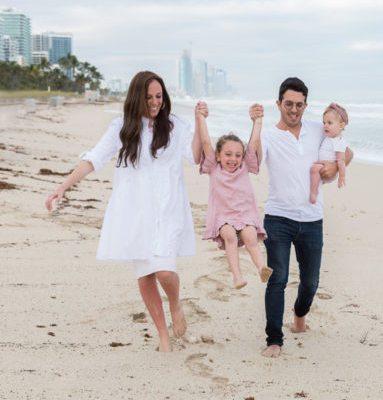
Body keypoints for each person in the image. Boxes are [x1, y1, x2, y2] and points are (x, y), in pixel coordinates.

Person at [45, 71, 199, 353]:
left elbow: (198, 157)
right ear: (136, 98)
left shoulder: (176, 126)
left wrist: (201, 123)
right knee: (145, 274)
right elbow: (94, 158)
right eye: (149, 97)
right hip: (135, 211)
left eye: (159, 96)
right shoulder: (122, 127)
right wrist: (63, 186)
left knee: (165, 272)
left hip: (168, 208)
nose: (155, 103)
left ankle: (175, 303)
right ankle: (163, 336)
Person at [251, 77, 354, 358]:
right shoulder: (269, 136)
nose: (294, 110)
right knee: (278, 278)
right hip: (278, 218)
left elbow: (347, 151)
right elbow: (251, 162)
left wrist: (334, 167)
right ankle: (274, 339)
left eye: (299, 105)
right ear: (279, 104)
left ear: (305, 105)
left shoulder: (318, 129)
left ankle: (299, 315)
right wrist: (255, 124)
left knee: (310, 283)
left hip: (312, 220)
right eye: (288, 104)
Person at [195, 100, 273, 289]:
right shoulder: (214, 167)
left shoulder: (244, 166)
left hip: (245, 215)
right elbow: (205, 142)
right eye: (228, 154)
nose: (233, 159)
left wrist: (258, 121)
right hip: (223, 217)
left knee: (251, 238)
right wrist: (200, 117)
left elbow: (253, 143)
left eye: (238, 155)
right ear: (219, 155)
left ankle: (262, 267)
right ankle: (237, 277)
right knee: (230, 236)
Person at [309, 103, 349, 203]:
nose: (325, 126)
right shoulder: (330, 137)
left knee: (314, 169)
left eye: (330, 123)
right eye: (324, 123)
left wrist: (341, 176)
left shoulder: (339, 141)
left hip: (328, 170)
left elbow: (341, 160)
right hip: (323, 167)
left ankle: (314, 192)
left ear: (341, 125)